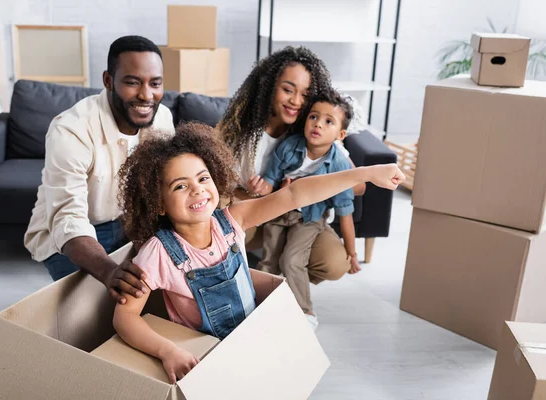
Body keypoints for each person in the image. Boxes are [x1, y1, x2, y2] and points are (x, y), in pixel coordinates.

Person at [113, 121, 405, 383]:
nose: (198, 191)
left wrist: (368, 173)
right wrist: (168, 351)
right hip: (207, 359)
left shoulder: (231, 221)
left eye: (203, 179)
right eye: (180, 186)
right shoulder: (158, 253)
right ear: (159, 204)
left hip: (254, 339)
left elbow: (295, 194)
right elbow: (124, 317)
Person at [216, 46, 365, 327]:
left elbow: (357, 187)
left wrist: (305, 187)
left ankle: (295, 298)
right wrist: (258, 192)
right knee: (231, 236)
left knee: (333, 262)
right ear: (270, 86)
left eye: (305, 95)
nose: (296, 101)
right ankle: (249, 297)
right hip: (254, 214)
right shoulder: (242, 126)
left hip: (304, 217)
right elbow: (217, 183)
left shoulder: (314, 131)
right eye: (288, 89)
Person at [24, 35, 175, 304]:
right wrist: (108, 272)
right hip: (73, 233)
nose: (146, 95)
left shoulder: (162, 118)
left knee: (155, 295)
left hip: (129, 222)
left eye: (155, 83)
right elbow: (68, 218)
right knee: (92, 308)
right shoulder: (71, 130)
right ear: (108, 81)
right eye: (132, 82)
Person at [255, 89, 360, 331]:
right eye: (313, 117)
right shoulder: (289, 147)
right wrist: (260, 188)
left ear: (340, 134)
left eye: (328, 121)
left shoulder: (340, 165)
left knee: (292, 259)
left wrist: (352, 253)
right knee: (268, 262)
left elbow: (346, 214)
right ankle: (261, 309)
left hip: (309, 218)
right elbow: (269, 182)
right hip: (279, 210)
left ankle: (305, 311)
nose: (318, 125)